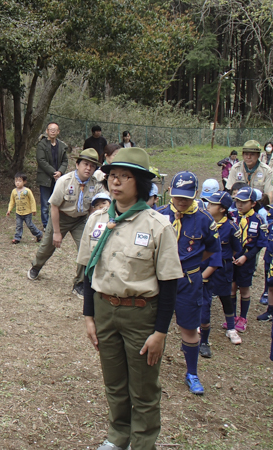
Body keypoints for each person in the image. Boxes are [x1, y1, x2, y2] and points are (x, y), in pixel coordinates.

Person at [77, 147, 182, 450]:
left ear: (141, 184)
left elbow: (170, 283)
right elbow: (89, 270)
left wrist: (160, 332)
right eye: (113, 176)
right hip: (104, 310)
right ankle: (117, 436)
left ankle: (143, 443)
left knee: (143, 387)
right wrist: (89, 316)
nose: (116, 182)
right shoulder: (97, 220)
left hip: (141, 315)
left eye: (126, 177)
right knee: (114, 383)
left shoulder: (156, 225)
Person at [157, 172, 221, 395]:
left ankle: (192, 373)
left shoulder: (204, 219)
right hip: (161, 280)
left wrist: (191, 265)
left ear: (195, 195)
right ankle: (149, 368)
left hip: (188, 280)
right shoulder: (160, 215)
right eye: (177, 197)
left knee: (189, 326)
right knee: (154, 325)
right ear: (170, 194)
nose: (181, 201)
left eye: (186, 197)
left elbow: (213, 250)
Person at [27, 149, 102, 299]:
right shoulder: (65, 181)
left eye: (92, 166)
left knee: (87, 248)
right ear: (77, 164)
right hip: (61, 217)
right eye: (85, 164)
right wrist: (56, 232)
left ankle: (79, 283)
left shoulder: (95, 184)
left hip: (80, 220)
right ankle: (36, 266)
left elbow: (93, 208)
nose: (88, 168)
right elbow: (54, 206)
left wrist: (92, 228)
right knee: (48, 245)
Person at [202, 191, 242, 346]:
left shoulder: (231, 227)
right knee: (204, 296)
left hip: (223, 267)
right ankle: (202, 323)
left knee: (225, 296)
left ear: (222, 209)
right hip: (206, 264)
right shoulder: (205, 222)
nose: (208, 206)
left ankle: (231, 327)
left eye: (212, 204)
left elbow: (235, 248)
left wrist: (225, 258)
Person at [227, 187, 267, 333]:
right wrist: (230, 253)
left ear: (253, 203)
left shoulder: (258, 219)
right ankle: (232, 316)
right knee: (231, 287)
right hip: (233, 258)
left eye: (243, 202)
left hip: (247, 260)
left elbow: (260, 245)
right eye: (237, 201)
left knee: (244, 288)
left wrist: (246, 257)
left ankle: (243, 318)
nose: (239, 205)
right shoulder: (232, 216)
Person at [36, 122, 69, 230]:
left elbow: (65, 161)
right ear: (47, 131)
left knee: (58, 202)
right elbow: (41, 160)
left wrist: (60, 172)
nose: (53, 131)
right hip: (45, 178)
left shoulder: (62, 146)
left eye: (55, 129)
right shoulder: (41, 145)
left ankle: (57, 223)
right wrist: (53, 172)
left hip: (58, 179)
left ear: (58, 132)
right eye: (51, 129)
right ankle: (46, 225)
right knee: (45, 204)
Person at [6, 172, 43, 244]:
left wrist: (33, 210)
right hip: (18, 213)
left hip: (27, 213)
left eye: (20, 181)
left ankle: (39, 234)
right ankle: (17, 238)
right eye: (16, 181)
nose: (17, 183)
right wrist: (9, 210)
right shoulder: (14, 191)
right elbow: (12, 202)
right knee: (18, 225)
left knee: (30, 225)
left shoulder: (27, 191)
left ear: (24, 182)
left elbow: (32, 201)